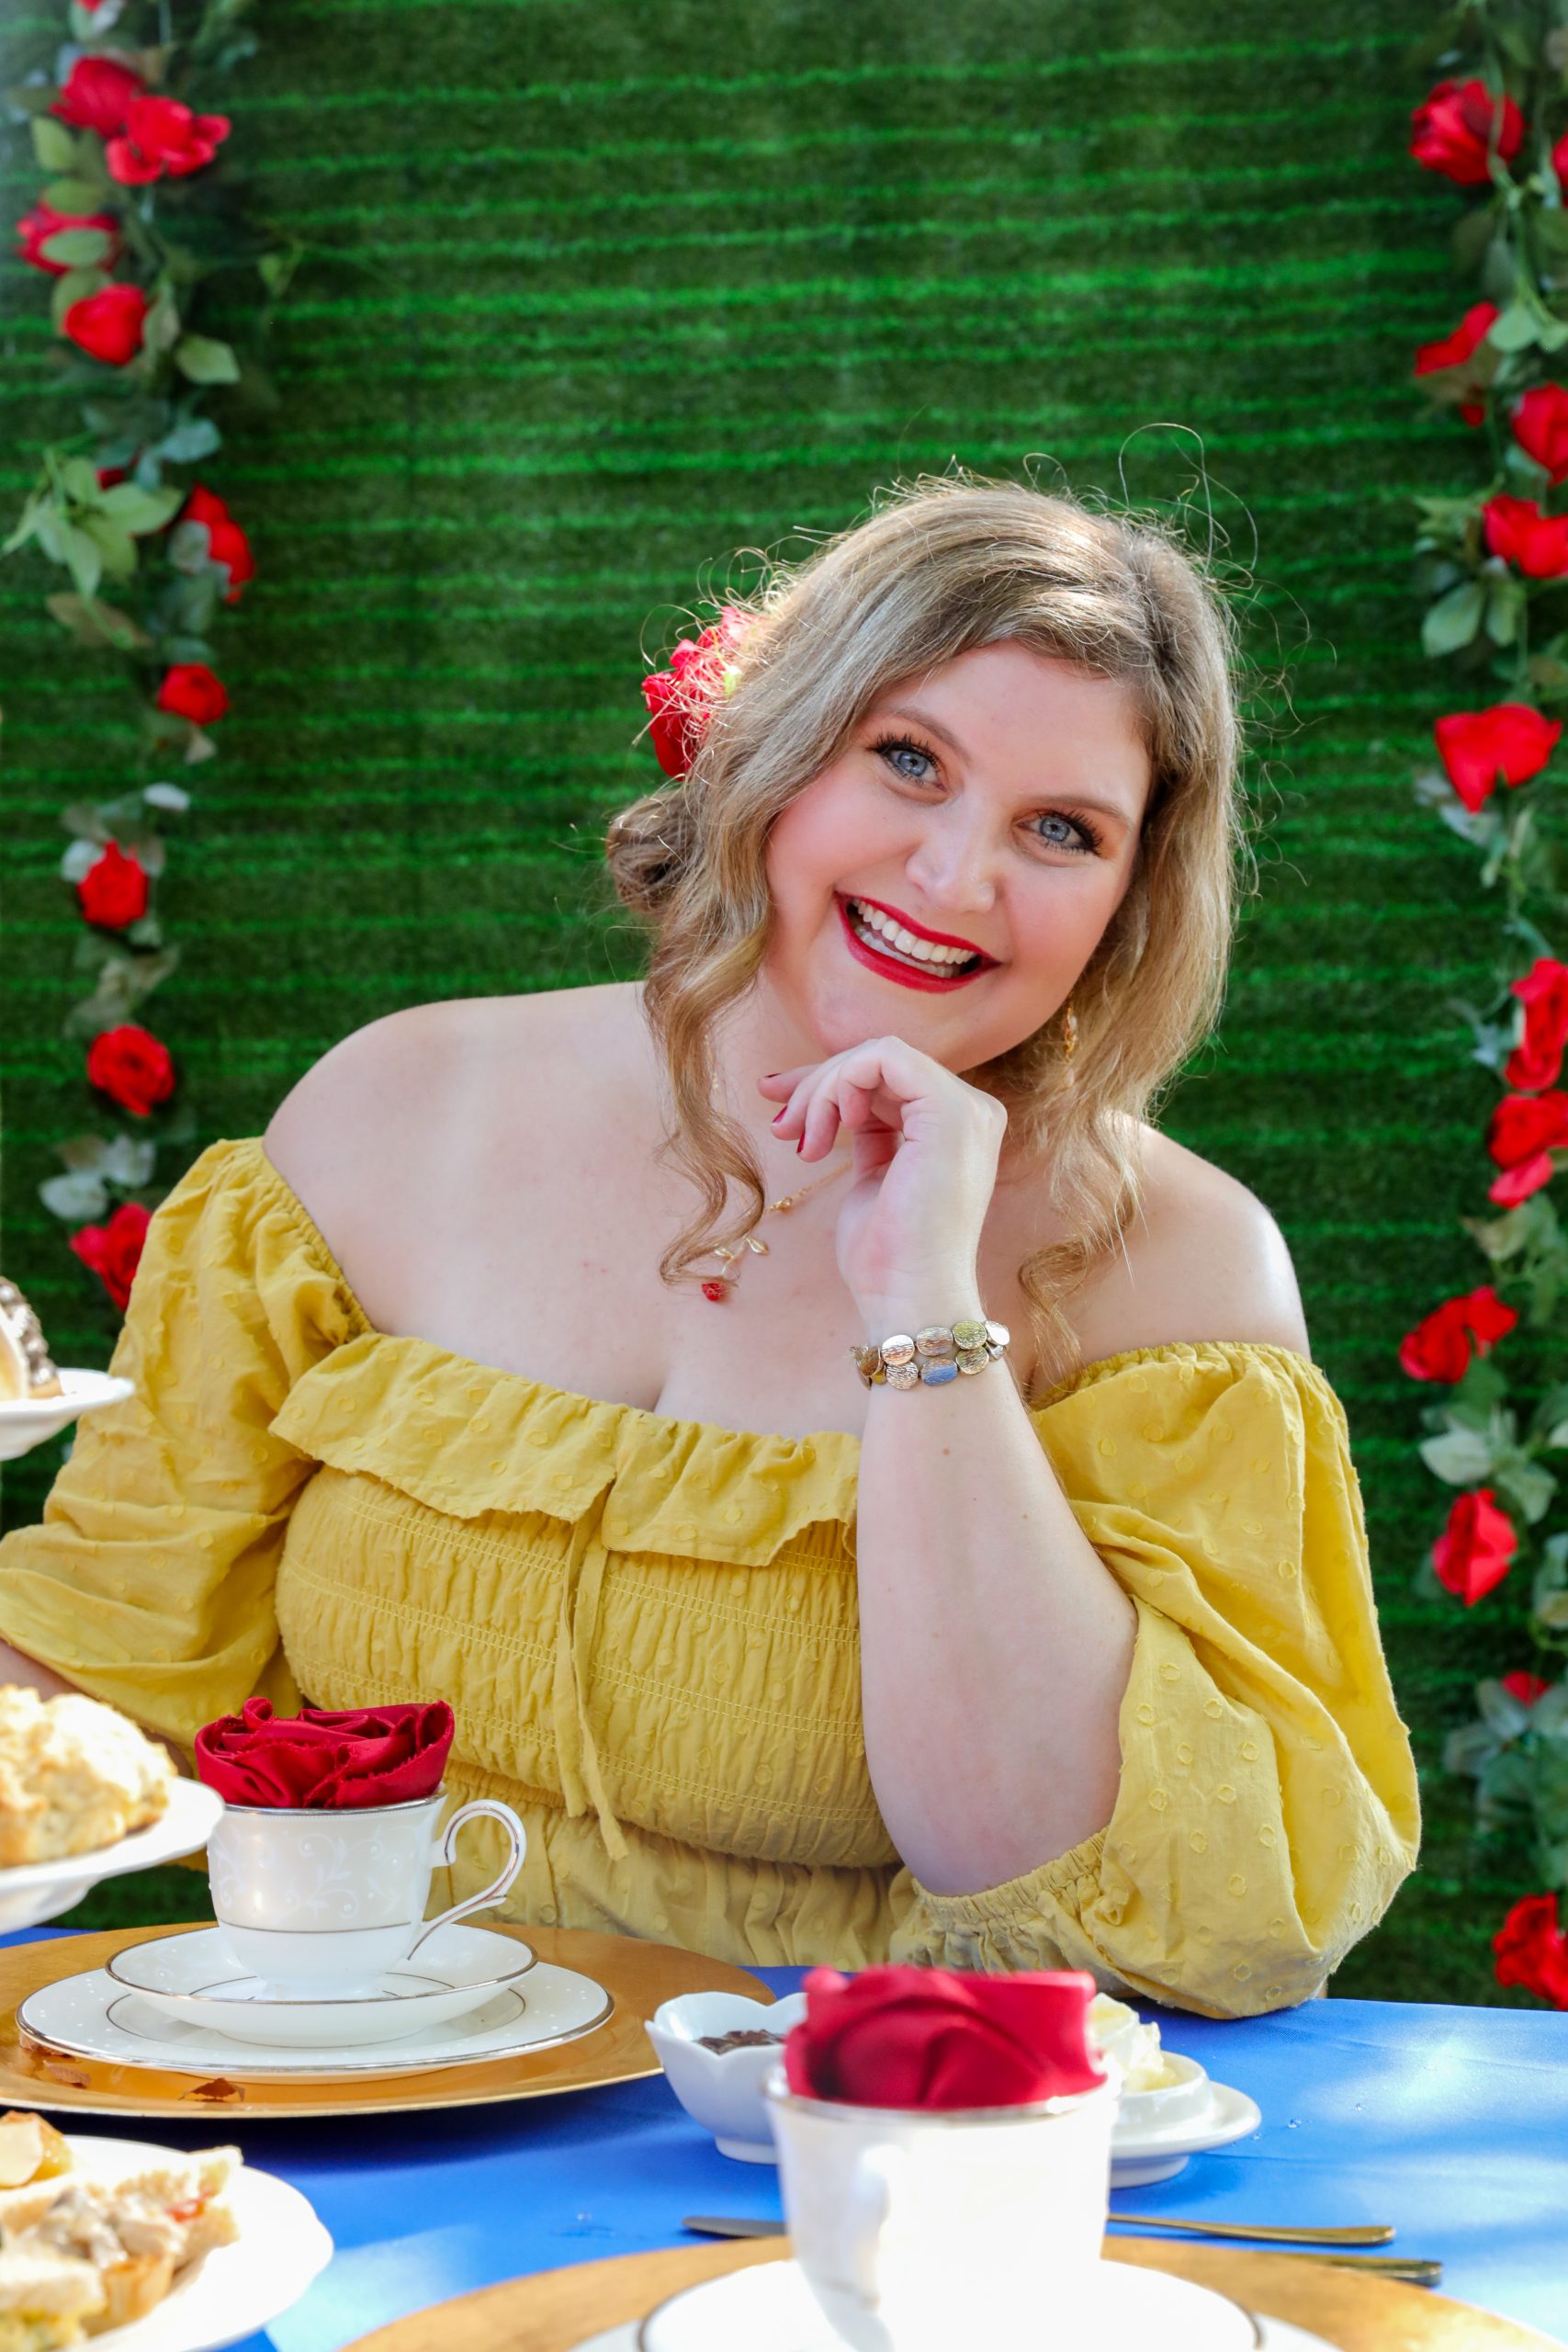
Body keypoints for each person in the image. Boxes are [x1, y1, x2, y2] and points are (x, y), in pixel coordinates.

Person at [0, 474, 1418, 2015]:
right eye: (907, 761)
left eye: (1061, 829)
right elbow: (94, 1676)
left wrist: (925, 1310)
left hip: (840, 2143)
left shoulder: (1184, 1272)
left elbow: (1113, 1901)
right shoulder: (393, 1115)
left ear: (1129, 906)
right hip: (347, 2085)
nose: (957, 878)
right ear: (774, 750)